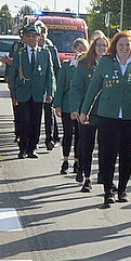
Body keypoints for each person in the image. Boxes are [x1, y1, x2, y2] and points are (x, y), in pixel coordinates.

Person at [80, 30, 131, 207]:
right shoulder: (105, 62)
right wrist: (84, 111)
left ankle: (122, 189)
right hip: (107, 116)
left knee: (127, 155)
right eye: (121, 45)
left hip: (130, 117)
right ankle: (107, 190)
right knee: (106, 155)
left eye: (128, 45)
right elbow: (94, 88)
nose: (124, 48)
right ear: (115, 47)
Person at [7, 19, 57, 159]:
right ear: (24, 38)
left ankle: (32, 148)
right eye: (29, 36)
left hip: (38, 93)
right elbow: (13, 75)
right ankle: (22, 148)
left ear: (39, 37)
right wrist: (14, 95)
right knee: (24, 121)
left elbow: (50, 75)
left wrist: (50, 92)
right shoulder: (19, 53)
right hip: (23, 93)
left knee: (36, 122)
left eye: (34, 36)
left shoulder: (45, 53)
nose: (32, 39)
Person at [72, 36, 108, 191]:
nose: (102, 48)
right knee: (87, 145)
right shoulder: (84, 64)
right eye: (99, 45)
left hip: (106, 112)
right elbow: (76, 87)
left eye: (105, 46)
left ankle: (103, 174)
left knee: (106, 145)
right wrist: (76, 109)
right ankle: (86, 176)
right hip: (87, 111)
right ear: (93, 47)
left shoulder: (111, 64)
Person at [56, 37, 90, 175]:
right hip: (67, 105)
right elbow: (60, 87)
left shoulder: (88, 66)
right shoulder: (66, 65)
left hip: (82, 106)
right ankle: (65, 160)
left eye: (83, 48)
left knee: (80, 136)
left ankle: (77, 161)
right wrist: (57, 105)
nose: (80, 51)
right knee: (68, 133)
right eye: (78, 48)